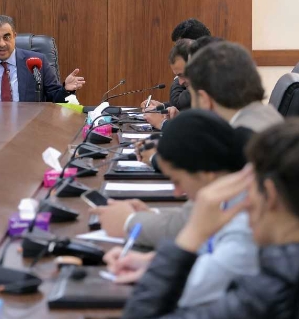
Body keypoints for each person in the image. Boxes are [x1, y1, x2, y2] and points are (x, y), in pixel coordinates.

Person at [97, 41, 283, 248]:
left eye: (191, 95)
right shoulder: (266, 119)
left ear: (204, 100)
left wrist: (128, 221)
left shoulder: (241, 141)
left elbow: (191, 226)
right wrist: (153, 215)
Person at [121, 120, 299, 318]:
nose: (246, 201)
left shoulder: (274, 291)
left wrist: (192, 234)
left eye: (250, 187)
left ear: (270, 194)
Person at [104, 110, 258, 308]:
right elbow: (208, 255)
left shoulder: (246, 223)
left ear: (206, 173)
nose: (177, 192)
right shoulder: (231, 201)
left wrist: (160, 269)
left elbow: (184, 291)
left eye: (177, 181)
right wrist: (151, 262)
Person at [0, 15, 84, 102]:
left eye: (7, 37)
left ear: (14, 36)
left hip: (29, 126)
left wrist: (66, 89)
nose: (2, 44)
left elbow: (54, 98)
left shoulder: (37, 62)